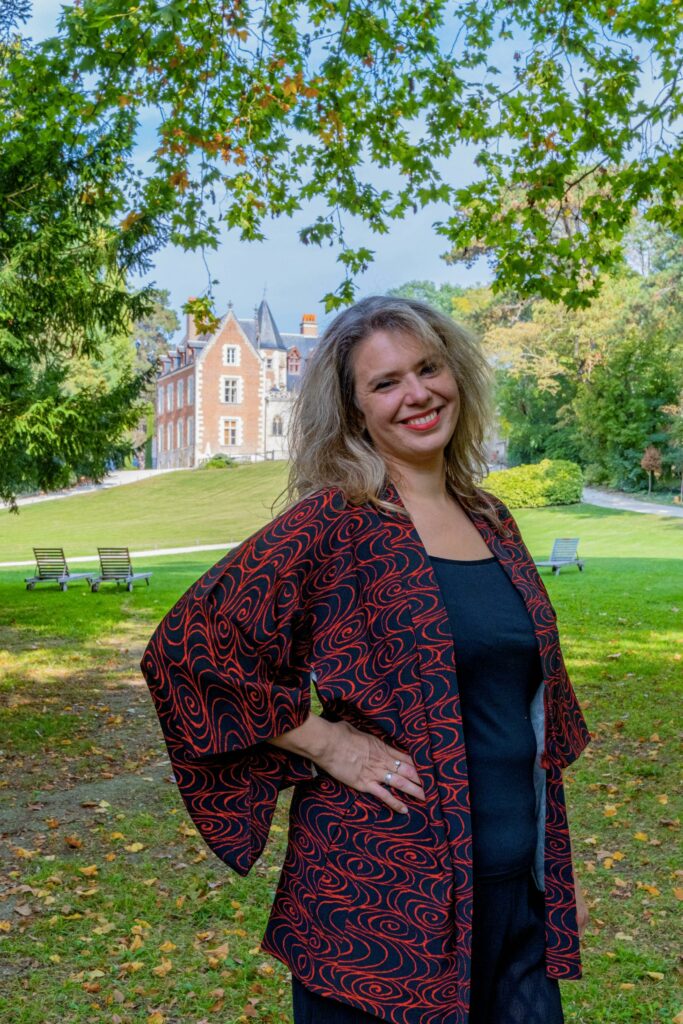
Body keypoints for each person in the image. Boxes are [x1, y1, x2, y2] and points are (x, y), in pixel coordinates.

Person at [141, 296, 590, 1024]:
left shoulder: (491, 519)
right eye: (384, 383)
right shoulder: (336, 521)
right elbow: (189, 649)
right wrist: (325, 741)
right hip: (379, 905)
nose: (416, 394)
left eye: (427, 368)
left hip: (513, 895)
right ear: (354, 410)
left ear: (456, 375)